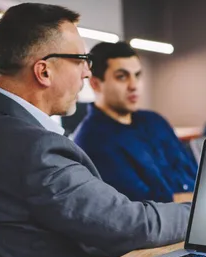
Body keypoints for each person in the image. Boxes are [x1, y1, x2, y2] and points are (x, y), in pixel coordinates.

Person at [0, 3, 189, 257]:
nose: (87, 72)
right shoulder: (34, 149)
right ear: (44, 70)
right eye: (81, 59)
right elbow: (131, 226)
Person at [73, 42, 197, 202]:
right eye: (122, 77)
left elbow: (192, 172)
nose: (134, 85)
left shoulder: (155, 121)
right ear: (95, 84)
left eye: (137, 75)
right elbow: (143, 206)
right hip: (167, 222)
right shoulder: (92, 141)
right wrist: (203, 201)